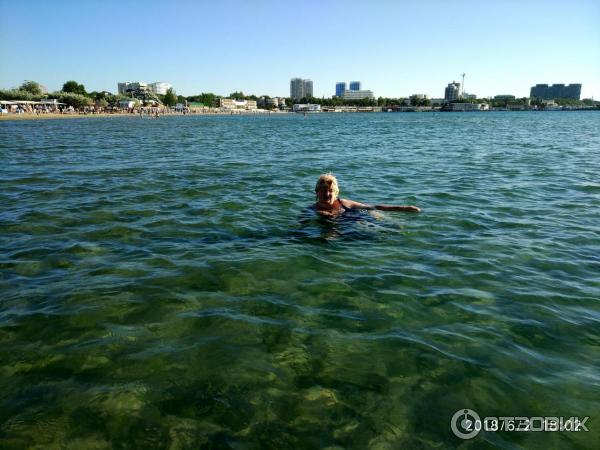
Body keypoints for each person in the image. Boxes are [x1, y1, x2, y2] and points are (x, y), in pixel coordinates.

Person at [314, 173, 421, 214]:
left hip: (359, 222)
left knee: (395, 229)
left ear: (336, 193)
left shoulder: (344, 203)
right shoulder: (312, 210)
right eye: (323, 191)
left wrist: (403, 208)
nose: (327, 194)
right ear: (317, 192)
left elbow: (373, 207)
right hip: (343, 235)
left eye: (330, 191)